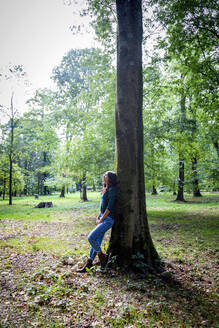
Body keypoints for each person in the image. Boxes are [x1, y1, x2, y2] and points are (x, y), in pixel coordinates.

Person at [77, 171, 117, 272]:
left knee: (91, 237)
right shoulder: (106, 189)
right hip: (102, 217)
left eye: (106, 175)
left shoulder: (112, 190)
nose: (104, 176)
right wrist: (98, 216)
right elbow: (102, 205)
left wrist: (102, 219)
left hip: (108, 220)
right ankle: (88, 264)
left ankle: (101, 255)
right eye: (104, 175)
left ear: (110, 178)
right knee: (97, 241)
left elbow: (109, 207)